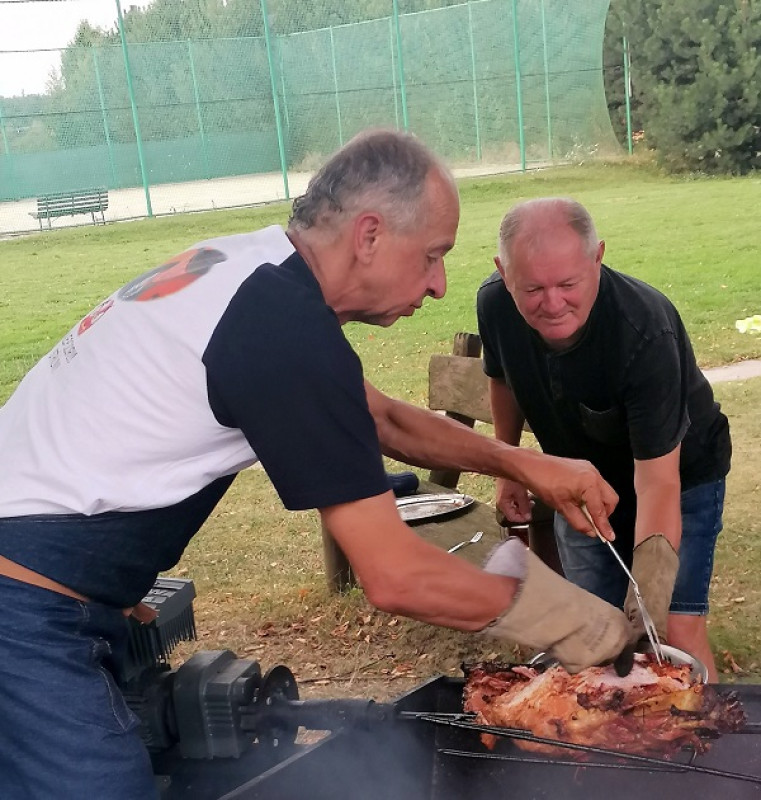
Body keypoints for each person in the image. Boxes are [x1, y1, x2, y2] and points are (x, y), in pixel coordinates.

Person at [0, 132, 631, 799]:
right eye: (432, 256)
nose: (440, 285)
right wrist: (575, 621)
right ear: (369, 235)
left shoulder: (257, 273)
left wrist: (526, 464)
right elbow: (395, 576)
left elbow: (382, 419)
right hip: (25, 603)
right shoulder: (280, 329)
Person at [477, 197, 731, 682]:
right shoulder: (494, 304)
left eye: (568, 284)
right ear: (503, 273)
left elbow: (658, 483)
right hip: (581, 482)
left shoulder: (644, 331)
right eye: (533, 288)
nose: (553, 304)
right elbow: (502, 378)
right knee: (590, 630)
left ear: (598, 258)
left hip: (680, 477)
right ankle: (608, 730)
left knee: (671, 632)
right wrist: (508, 470)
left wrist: (646, 602)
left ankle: (703, 729)